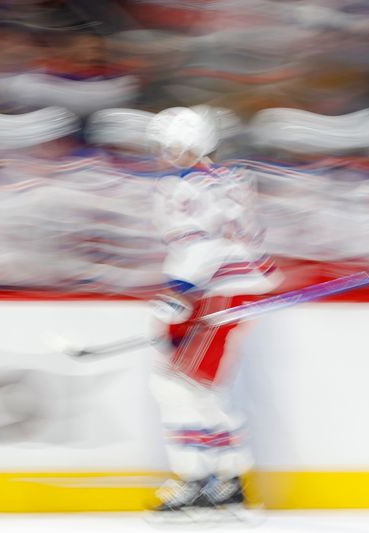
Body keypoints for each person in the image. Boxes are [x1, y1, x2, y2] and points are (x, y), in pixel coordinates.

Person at [146, 107, 282, 515]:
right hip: (230, 289)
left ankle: (197, 481)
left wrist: (178, 293)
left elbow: (203, 245)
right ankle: (227, 481)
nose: (161, 154)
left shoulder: (187, 185)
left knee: (179, 386)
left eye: (166, 145)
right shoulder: (225, 179)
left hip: (215, 291)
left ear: (184, 144)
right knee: (200, 389)